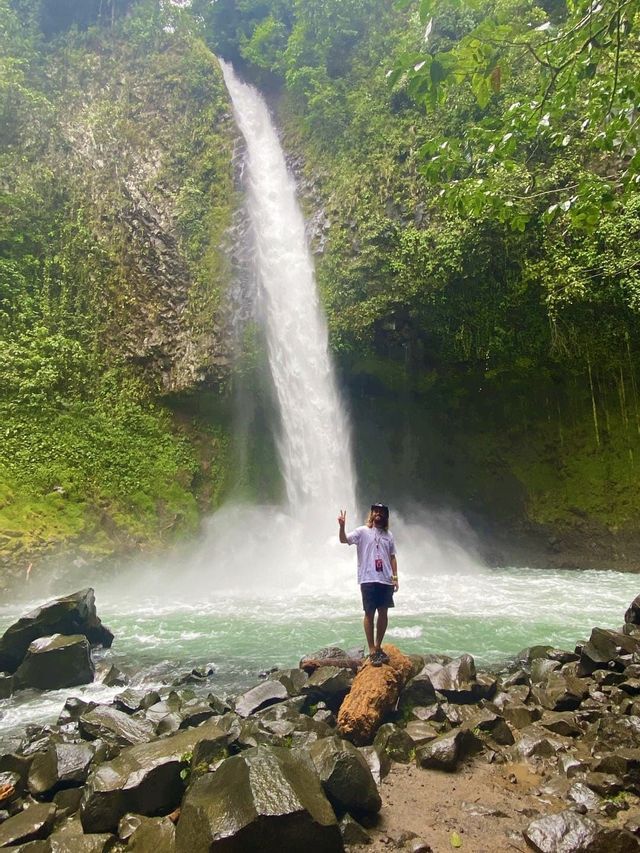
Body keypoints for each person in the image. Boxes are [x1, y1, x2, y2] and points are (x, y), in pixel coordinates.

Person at [338, 503, 399, 666]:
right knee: (369, 613)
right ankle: (372, 649)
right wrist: (342, 527)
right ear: (371, 514)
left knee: (384, 613)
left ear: (385, 517)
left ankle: (378, 646)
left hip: (385, 579)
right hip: (368, 578)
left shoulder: (388, 535)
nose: (378, 513)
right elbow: (344, 540)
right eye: (376, 511)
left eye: (381, 512)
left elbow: (392, 556)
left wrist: (395, 577)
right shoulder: (361, 532)